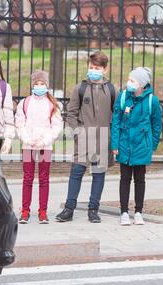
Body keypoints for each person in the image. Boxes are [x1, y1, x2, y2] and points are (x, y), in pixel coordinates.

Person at [55, 51, 117, 223]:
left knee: (98, 174)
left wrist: (112, 136)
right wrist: (77, 133)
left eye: (97, 68)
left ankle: (93, 209)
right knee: (76, 172)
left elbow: (117, 115)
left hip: (103, 138)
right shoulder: (80, 88)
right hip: (83, 138)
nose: (93, 70)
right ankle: (69, 209)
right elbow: (71, 114)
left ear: (105, 69)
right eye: (91, 67)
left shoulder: (112, 89)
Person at [110, 67, 162, 226]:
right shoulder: (124, 96)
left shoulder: (152, 100)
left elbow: (156, 125)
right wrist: (115, 143)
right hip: (125, 144)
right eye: (129, 79)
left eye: (132, 80)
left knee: (140, 179)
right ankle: (124, 212)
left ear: (141, 84)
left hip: (142, 146)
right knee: (124, 179)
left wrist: (151, 145)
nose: (129, 82)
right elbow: (116, 121)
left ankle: (138, 212)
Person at [15, 71, 63, 224]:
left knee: (44, 179)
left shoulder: (53, 105)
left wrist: (44, 141)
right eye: (37, 84)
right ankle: (25, 211)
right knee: (27, 178)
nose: (39, 86)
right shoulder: (25, 103)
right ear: (32, 85)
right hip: (28, 146)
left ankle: (43, 211)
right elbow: (20, 124)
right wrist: (28, 140)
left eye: (42, 84)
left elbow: (56, 127)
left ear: (47, 85)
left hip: (45, 146)